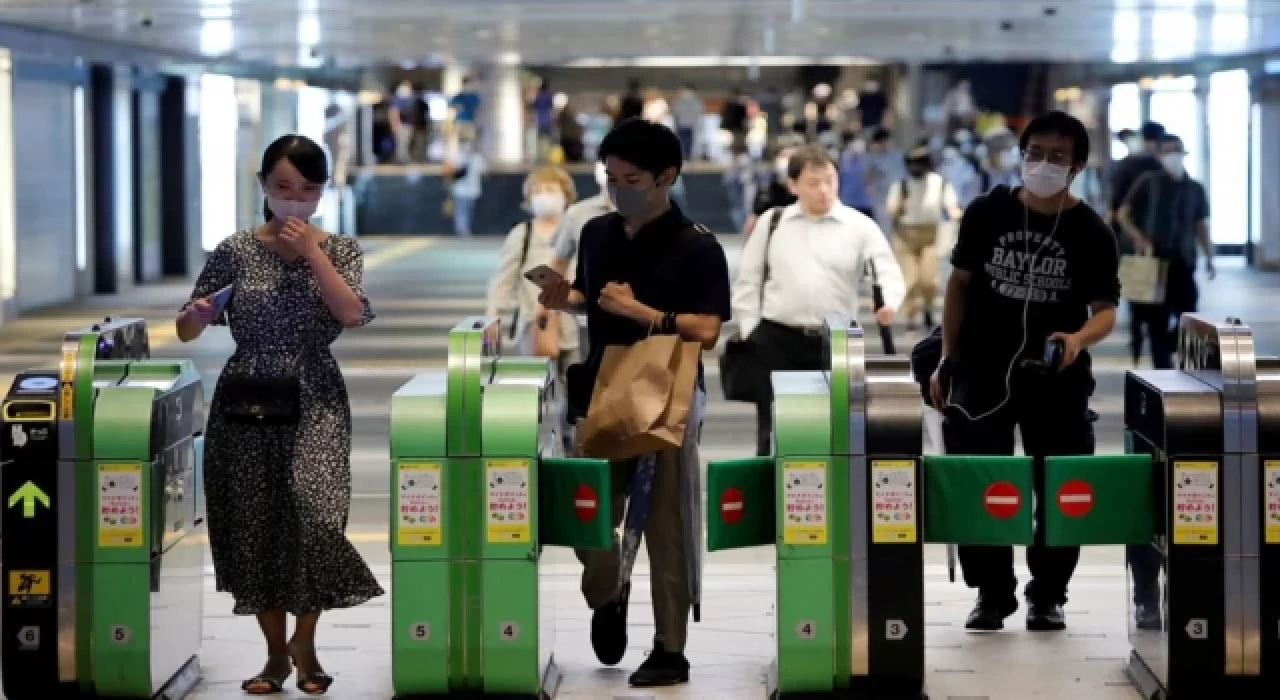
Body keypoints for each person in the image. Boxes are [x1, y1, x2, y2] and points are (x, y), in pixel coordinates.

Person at [175, 134, 382, 695]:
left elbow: (350, 313)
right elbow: (187, 327)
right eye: (284, 187)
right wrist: (195, 315)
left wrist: (312, 251)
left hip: (314, 391)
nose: (294, 199)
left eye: (308, 189)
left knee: (315, 519)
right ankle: (275, 657)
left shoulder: (340, 249)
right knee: (254, 523)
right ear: (264, 185)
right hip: (245, 396)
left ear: (322, 192)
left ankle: (306, 643)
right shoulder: (235, 249)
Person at [539, 117, 731, 688]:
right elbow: (591, 300)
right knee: (586, 512)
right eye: (610, 177)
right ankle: (609, 588)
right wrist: (564, 298)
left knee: (666, 527)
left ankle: (671, 649)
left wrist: (645, 314)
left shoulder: (696, 245)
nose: (618, 188)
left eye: (631, 178)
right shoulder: (597, 233)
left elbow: (708, 330)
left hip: (665, 396)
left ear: (665, 177)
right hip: (601, 389)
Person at [929, 111, 1120, 632]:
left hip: (1055, 378)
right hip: (982, 371)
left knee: (1058, 488)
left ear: (1077, 166)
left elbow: (1106, 308)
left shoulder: (1091, 231)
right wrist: (948, 357)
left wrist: (1079, 339)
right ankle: (992, 594)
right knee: (980, 483)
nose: (1043, 164)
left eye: (1057, 157)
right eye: (1035, 152)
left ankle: (1048, 594)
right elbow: (959, 286)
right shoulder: (988, 211)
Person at [733, 146, 903, 456]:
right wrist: (750, 331)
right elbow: (749, 279)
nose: (823, 190)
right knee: (773, 431)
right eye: (813, 182)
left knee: (837, 431)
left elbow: (887, 272)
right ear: (793, 185)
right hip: (777, 338)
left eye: (829, 180)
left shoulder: (859, 226)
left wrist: (888, 302)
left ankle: (834, 498)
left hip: (837, 341)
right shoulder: (773, 223)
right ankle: (773, 498)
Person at [1115, 133, 1215, 369]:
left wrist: (1209, 256)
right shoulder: (1148, 181)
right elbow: (1123, 214)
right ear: (1159, 156)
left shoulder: (1195, 188)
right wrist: (1138, 238)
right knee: (1156, 319)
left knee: (1189, 315)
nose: (1174, 156)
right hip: (1154, 263)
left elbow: (1200, 225)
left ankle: (1180, 354)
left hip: (1184, 260)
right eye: (1168, 151)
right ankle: (1163, 369)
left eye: (1177, 150)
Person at [886, 145, 962, 330]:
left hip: (930, 235)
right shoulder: (901, 186)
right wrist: (900, 207)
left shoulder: (940, 183)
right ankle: (911, 316)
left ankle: (928, 307)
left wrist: (957, 214)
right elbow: (892, 210)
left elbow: (951, 206)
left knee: (929, 279)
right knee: (910, 280)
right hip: (906, 236)